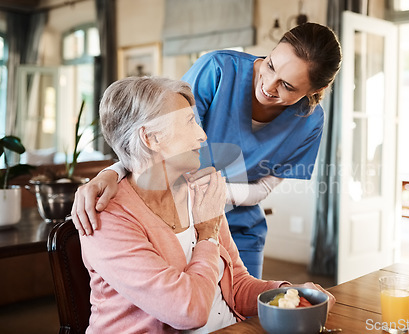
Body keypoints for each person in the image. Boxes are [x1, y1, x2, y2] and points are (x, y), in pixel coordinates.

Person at [72, 22, 342, 278]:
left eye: (287, 85)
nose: (268, 85)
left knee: (243, 319)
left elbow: (263, 188)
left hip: (239, 228)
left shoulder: (310, 122)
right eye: (270, 65)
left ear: (317, 89)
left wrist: (213, 195)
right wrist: (112, 172)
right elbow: (154, 136)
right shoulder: (218, 70)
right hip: (175, 220)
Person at [80, 76, 335, 333]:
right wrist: (208, 234)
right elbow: (189, 312)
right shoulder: (106, 218)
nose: (202, 135)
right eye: (190, 122)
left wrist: (288, 294)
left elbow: (237, 287)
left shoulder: (198, 192)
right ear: (151, 138)